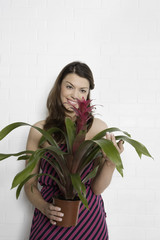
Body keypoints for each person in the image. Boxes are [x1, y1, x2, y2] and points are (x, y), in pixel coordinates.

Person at [25, 61, 124, 240]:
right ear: (59, 86)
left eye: (82, 90)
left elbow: (97, 188)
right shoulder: (39, 130)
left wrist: (110, 163)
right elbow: (29, 184)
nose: (75, 95)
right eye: (69, 86)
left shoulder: (97, 129)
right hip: (51, 215)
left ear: (88, 95)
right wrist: (44, 207)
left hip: (89, 218)